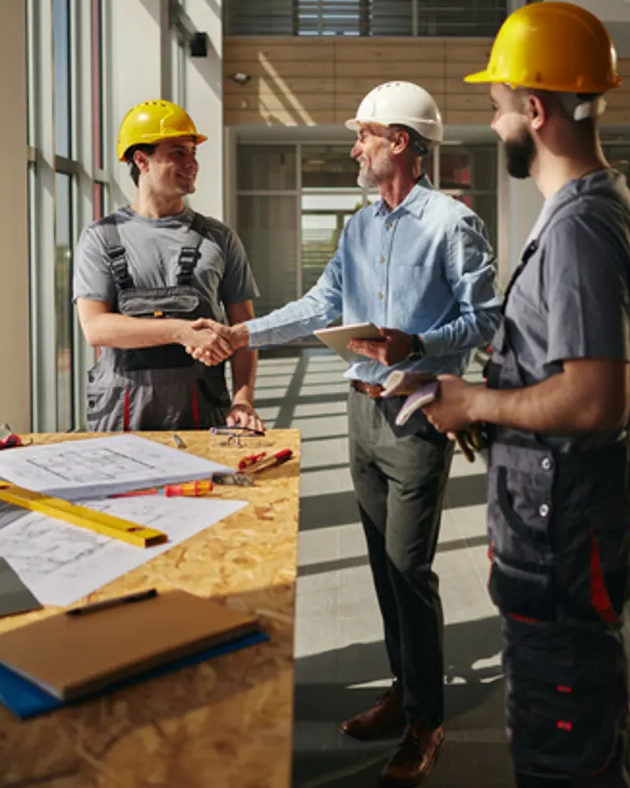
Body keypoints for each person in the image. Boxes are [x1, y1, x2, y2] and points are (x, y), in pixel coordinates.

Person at [196, 81, 501, 785]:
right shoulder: (360, 227)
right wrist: (242, 331)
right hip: (359, 414)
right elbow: (320, 305)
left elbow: (485, 319)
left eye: (363, 134)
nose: (354, 147)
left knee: (408, 570)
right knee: (380, 567)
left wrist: (413, 343)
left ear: (399, 141)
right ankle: (405, 688)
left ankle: (426, 718)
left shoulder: (453, 224)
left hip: (418, 410)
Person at [423, 4, 630, 786]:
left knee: (564, 743)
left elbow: (594, 400)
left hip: (564, 530)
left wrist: (475, 405)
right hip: (555, 519)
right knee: (574, 725)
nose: (494, 126)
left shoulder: (583, 226)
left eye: (497, 108)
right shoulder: (584, 213)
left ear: (535, 109)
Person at [72, 100, 264, 432]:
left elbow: (245, 331)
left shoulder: (218, 238)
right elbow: (96, 329)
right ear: (141, 159)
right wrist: (179, 332)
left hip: (203, 417)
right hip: (121, 421)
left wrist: (243, 399)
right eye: (177, 152)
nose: (192, 163)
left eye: (193, 153)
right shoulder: (101, 238)